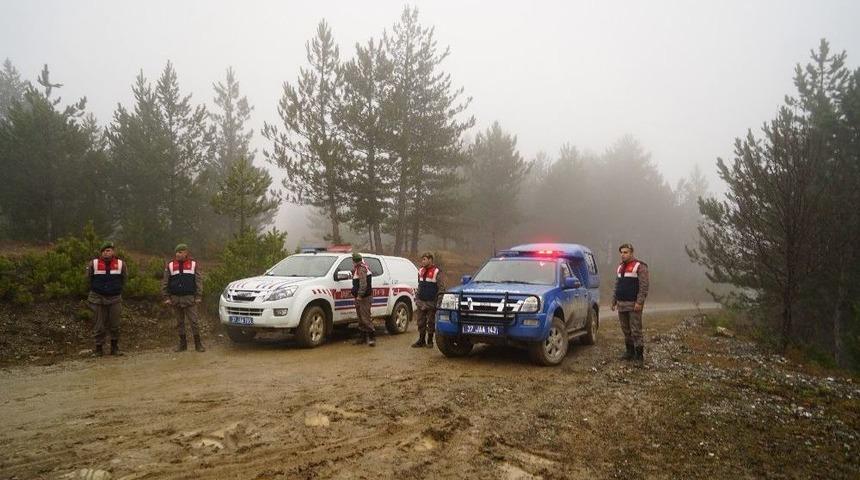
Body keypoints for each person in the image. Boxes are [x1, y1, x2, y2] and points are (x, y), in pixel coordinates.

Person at [611, 243, 650, 367]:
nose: (623, 254)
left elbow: (644, 286)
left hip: (634, 305)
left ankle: (639, 356)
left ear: (632, 252)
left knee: (636, 330)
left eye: (625, 252)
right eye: (621, 252)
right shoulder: (620, 267)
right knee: (626, 330)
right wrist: (614, 300)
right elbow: (617, 285)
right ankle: (629, 352)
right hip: (621, 304)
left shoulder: (640, 266)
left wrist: (640, 302)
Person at [87, 241, 128, 357]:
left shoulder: (121, 264)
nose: (106, 252)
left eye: (109, 250)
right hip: (97, 299)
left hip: (115, 299)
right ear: (101, 253)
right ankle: (98, 349)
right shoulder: (93, 263)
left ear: (113, 251)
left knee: (115, 325)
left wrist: (116, 290)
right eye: (104, 250)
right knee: (98, 325)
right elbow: (88, 279)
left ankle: (114, 348)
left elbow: (124, 279)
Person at [162, 243, 205, 352]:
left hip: (190, 299)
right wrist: (166, 297)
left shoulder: (193, 264)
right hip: (175, 299)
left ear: (186, 253)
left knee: (194, 322)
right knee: (179, 323)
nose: (178, 254)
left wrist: (199, 296)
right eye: (176, 252)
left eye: (180, 252)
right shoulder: (170, 265)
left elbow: (198, 281)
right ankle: (182, 344)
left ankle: (198, 344)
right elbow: (165, 282)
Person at [412, 252, 445, 348]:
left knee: (431, 322)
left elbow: (441, 288)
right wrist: (417, 298)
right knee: (420, 322)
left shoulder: (436, 272)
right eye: (422, 259)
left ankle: (430, 341)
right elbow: (420, 285)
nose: (422, 261)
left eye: (424, 259)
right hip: (421, 301)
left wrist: (438, 302)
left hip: (431, 302)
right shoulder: (420, 271)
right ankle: (421, 340)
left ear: (430, 260)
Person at [351, 252, 375, 347]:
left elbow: (363, 284)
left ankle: (372, 337)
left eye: (353, 260)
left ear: (355, 261)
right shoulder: (358, 269)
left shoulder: (361, 269)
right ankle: (362, 337)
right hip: (359, 297)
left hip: (364, 298)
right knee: (360, 319)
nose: (352, 262)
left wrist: (360, 295)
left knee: (365, 318)